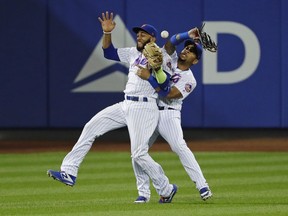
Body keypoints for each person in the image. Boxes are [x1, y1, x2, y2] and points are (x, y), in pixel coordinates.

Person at [47, 11, 178, 204]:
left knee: (139, 154)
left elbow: (166, 87)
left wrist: (154, 72)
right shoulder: (133, 53)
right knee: (91, 126)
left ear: (153, 38)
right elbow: (109, 52)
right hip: (126, 104)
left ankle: (166, 188)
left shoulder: (161, 55)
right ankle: (69, 172)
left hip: (144, 108)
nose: (139, 36)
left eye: (143, 34)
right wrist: (107, 33)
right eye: (138, 33)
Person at [133, 28, 213, 203]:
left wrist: (149, 78)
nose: (186, 51)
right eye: (186, 48)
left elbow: (168, 94)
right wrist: (187, 35)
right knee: (138, 152)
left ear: (196, 61)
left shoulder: (190, 80)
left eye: (192, 51)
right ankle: (144, 193)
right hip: (149, 110)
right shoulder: (171, 58)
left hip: (169, 115)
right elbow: (170, 44)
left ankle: (202, 185)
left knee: (179, 146)